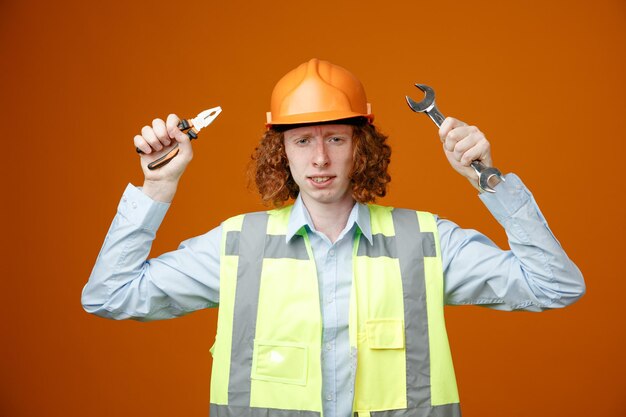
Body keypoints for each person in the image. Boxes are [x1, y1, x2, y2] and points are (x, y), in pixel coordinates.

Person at [82, 58, 585, 417]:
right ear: (281, 152)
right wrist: (157, 186)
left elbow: (554, 286)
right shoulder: (236, 246)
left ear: (358, 147)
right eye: (302, 140)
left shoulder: (427, 241)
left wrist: (488, 179)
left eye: (335, 139)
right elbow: (109, 295)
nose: (319, 159)